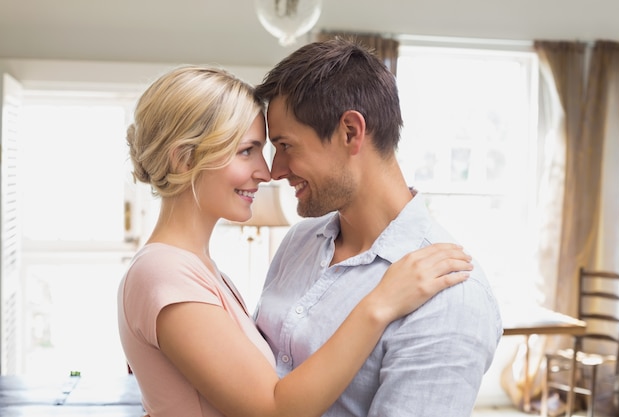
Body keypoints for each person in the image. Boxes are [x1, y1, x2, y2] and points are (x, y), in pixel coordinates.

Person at [117, 65, 475, 417]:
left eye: (277, 146)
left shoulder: (196, 269)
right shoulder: (165, 274)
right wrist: (379, 304)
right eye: (247, 151)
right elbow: (273, 408)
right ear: (184, 159)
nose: (267, 171)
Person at [253, 38, 503, 417]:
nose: (275, 170)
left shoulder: (451, 297)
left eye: (286, 145)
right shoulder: (299, 241)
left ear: (351, 132)